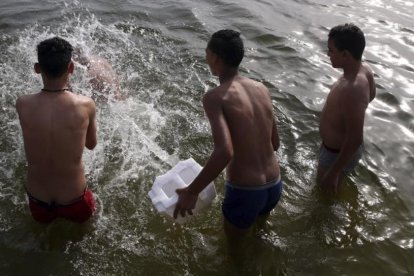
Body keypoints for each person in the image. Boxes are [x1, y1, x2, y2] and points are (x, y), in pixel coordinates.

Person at [173, 30, 283, 239]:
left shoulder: (215, 97)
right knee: (258, 238)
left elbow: (225, 152)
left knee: (235, 255)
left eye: (207, 53)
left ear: (215, 58)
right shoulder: (261, 88)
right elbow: (274, 143)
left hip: (246, 191)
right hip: (274, 184)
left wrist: (192, 191)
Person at [16, 37, 97, 224]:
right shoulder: (85, 105)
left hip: (38, 201)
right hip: (75, 199)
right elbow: (91, 145)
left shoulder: (23, 104)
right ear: (71, 68)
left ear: (37, 68)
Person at [318, 23, 376, 194]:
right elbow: (371, 96)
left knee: (324, 198)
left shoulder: (353, 88)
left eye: (331, 50)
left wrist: (333, 172)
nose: (328, 54)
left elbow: (355, 138)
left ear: (345, 54)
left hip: (336, 154)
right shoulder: (365, 69)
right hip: (337, 150)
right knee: (333, 192)